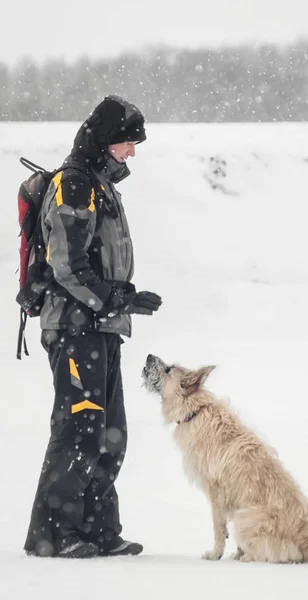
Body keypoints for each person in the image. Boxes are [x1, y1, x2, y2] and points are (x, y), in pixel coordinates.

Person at [24, 95, 162, 558]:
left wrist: (124, 299)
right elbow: (67, 265)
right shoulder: (75, 184)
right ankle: (54, 535)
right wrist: (115, 297)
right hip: (73, 325)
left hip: (99, 324)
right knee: (81, 429)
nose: (132, 152)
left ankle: (98, 530)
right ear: (106, 141)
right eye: (127, 142)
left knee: (110, 432)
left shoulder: (99, 183)